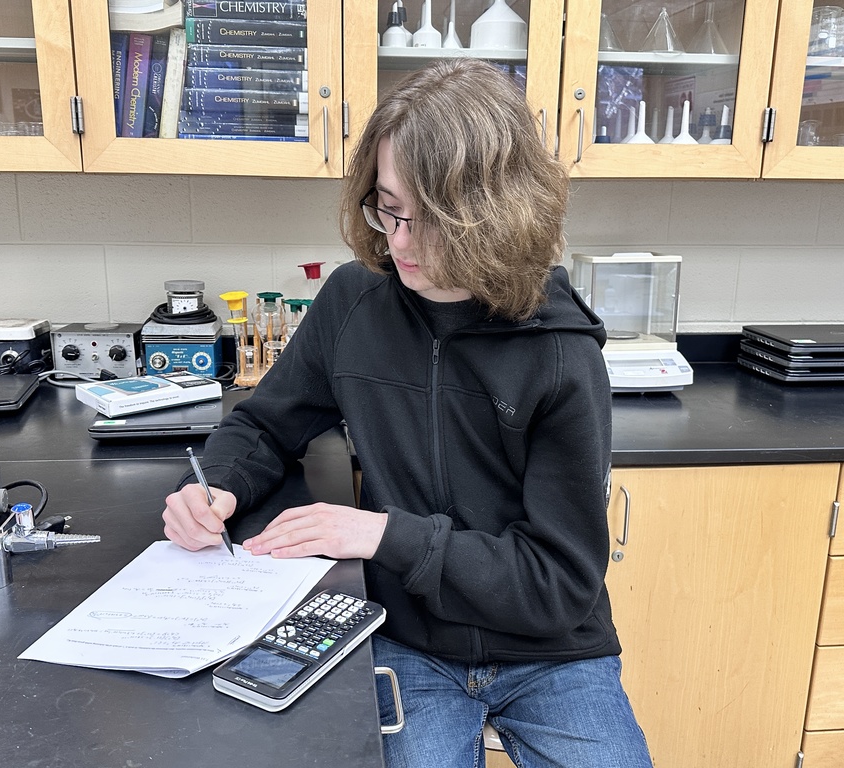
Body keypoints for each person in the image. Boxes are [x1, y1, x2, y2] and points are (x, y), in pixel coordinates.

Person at [162, 58, 652, 768]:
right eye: (389, 207)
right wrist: (217, 486)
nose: (399, 242)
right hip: (411, 642)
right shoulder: (353, 304)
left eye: (432, 221)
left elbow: (556, 583)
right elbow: (266, 423)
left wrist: (383, 534)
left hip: (551, 653)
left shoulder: (561, 356)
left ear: (497, 214)